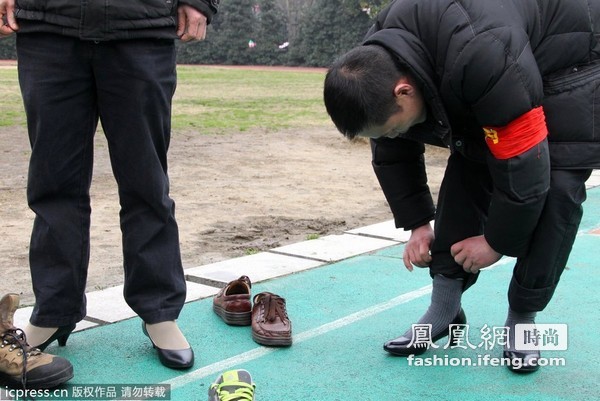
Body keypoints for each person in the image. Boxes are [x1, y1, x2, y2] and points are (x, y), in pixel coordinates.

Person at [324, 0, 600, 373]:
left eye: (392, 126)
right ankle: (445, 308)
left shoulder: (481, 52)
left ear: (404, 91)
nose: (392, 135)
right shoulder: (376, 62)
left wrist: (496, 243)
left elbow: (524, 170)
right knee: (471, 152)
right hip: (497, 53)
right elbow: (391, 148)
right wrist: (418, 223)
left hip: (572, 59)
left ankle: (523, 320)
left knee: (559, 188)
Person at [0, 0, 220, 370]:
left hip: (141, 28)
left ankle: (159, 312)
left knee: (146, 184)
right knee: (53, 185)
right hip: (48, 28)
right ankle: (55, 309)